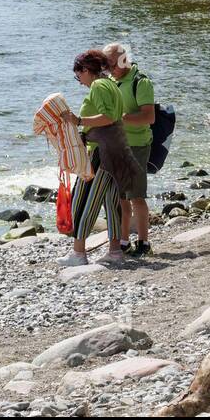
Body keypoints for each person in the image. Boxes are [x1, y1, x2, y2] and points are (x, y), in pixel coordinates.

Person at [59, 50, 130, 265]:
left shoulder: (99, 86)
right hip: (117, 147)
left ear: (86, 70)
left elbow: (108, 117)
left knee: (85, 198)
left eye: (78, 76)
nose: (79, 82)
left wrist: (78, 120)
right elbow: (115, 116)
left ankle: (79, 253)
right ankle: (115, 250)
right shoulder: (111, 84)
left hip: (102, 150)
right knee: (110, 200)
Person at [103, 42, 155, 256]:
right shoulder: (111, 81)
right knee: (120, 198)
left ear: (124, 59)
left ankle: (143, 243)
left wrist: (121, 119)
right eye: (106, 66)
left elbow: (149, 116)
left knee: (136, 197)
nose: (109, 69)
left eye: (112, 64)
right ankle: (123, 243)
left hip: (137, 145)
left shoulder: (140, 82)